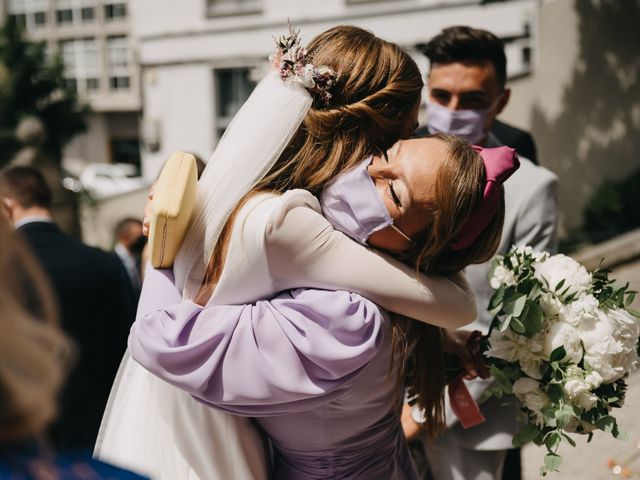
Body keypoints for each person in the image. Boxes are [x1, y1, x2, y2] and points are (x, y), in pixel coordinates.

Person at [96, 25, 499, 479]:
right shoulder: (287, 224)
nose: (379, 166)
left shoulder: (258, 208)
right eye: (392, 143)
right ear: (366, 135)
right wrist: (162, 255)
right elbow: (453, 304)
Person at [130, 134, 516, 479]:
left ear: (423, 250)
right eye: (383, 153)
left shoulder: (346, 318)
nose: (370, 173)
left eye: (395, 194)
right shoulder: (399, 292)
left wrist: (164, 251)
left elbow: (161, 338)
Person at [407, 25, 559, 480]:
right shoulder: (392, 163)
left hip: (472, 416)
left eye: (472, 99)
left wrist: (422, 412)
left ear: (501, 101)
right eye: (442, 95)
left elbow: (519, 325)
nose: (453, 111)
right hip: (376, 400)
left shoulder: (533, 188)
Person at [0, 166, 137, 451]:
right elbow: (126, 349)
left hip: (22, 429)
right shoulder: (104, 264)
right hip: (94, 423)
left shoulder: (7, 269)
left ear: (7, 205)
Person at [113, 217, 146, 296]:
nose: (142, 240)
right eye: (139, 237)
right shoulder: (112, 263)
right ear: (124, 237)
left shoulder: (137, 259)